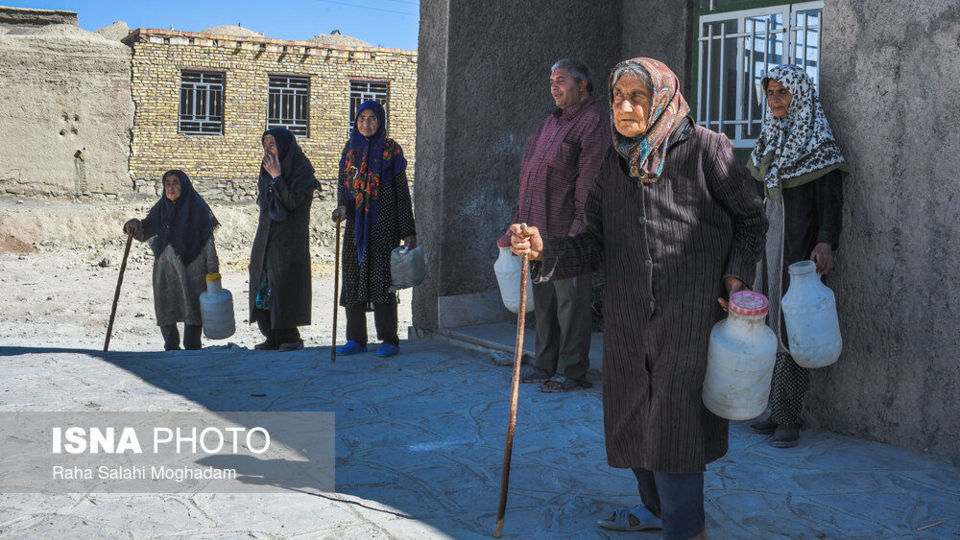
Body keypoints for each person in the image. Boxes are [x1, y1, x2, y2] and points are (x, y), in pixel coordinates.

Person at [508, 57, 766, 540]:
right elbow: (592, 242)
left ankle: (686, 529)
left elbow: (752, 220)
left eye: (637, 98)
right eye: (617, 98)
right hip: (630, 315)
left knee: (674, 422)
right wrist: (547, 248)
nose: (624, 107)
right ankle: (653, 508)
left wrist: (736, 276)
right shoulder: (615, 162)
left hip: (687, 313)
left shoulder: (708, 150)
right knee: (631, 414)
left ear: (663, 98)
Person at [747, 64, 847, 448]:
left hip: (798, 252)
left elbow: (831, 202)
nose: (774, 100)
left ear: (799, 96)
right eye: (770, 93)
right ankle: (774, 410)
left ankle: (789, 417)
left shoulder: (818, 143)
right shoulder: (768, 142)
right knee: (767, 325)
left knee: (793, 331)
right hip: (767, 247)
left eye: (782, 93)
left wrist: (826, 242)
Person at [496, 58, 610, 393]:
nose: (554, 87)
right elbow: (528, 177)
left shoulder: (593, 122)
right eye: (551, 81)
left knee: (570, 304)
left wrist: (578, 234)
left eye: (561, 80)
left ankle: (572, 371)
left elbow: (589, 183)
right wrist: (517, 226)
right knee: (544, 303)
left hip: (567, 234)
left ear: (582, 85)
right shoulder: (550, 123)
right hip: (537, 232)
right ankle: (544, 363)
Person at [332, 100, 416, 358]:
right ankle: (355, 339)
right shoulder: (350, 150)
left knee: (382, 281)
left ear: (380, 122)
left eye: (372, 119)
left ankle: (389, 339)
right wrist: (342, 209)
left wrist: (408, 231)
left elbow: (402, 194)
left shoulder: (391, 151)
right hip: (356, 228)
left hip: (384, 225)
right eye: (361, 118)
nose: (366, 123)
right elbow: (344, 187)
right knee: (352, 278)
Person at [124, 170, 219, 351]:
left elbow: (208, 242)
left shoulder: (197, 208)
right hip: (165, 271)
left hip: (193, 270)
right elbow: (145, 229)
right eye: (167, 184)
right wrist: (134, 224)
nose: (171, 187)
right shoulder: (161, 208)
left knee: (192, 308)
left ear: (184, 185)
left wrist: (213, 271)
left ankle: (192, 346)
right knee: (166, 306)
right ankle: (171, 346)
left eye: (175, 183)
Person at [249, 127, 318, 352]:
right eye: (265, 144)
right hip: (267, 234)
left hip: (289, 239)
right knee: (264, 283)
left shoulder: (301, 168)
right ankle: (271, 335)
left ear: (285, 145)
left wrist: (278, 177)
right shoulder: (266, 167)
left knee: (284, 285)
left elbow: (293, 202)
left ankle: (290, 336)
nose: (268, 149)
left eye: (273, 144)